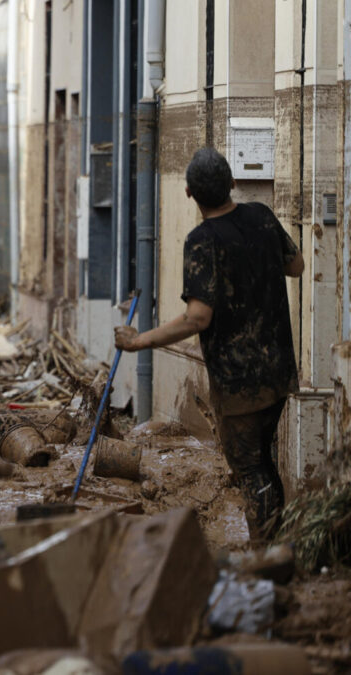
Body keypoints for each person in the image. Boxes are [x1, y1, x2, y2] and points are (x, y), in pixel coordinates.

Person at [114, 147, 304, 543]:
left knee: (250, 468)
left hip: (240, 383)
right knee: (263, 462)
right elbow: (296, 265)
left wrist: (138, 342)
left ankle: (267, 553)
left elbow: (198, 317)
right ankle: (278, 548)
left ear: (188, 193)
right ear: (233, 183)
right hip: (279, 369)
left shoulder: (202, 241)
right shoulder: (262, 216)